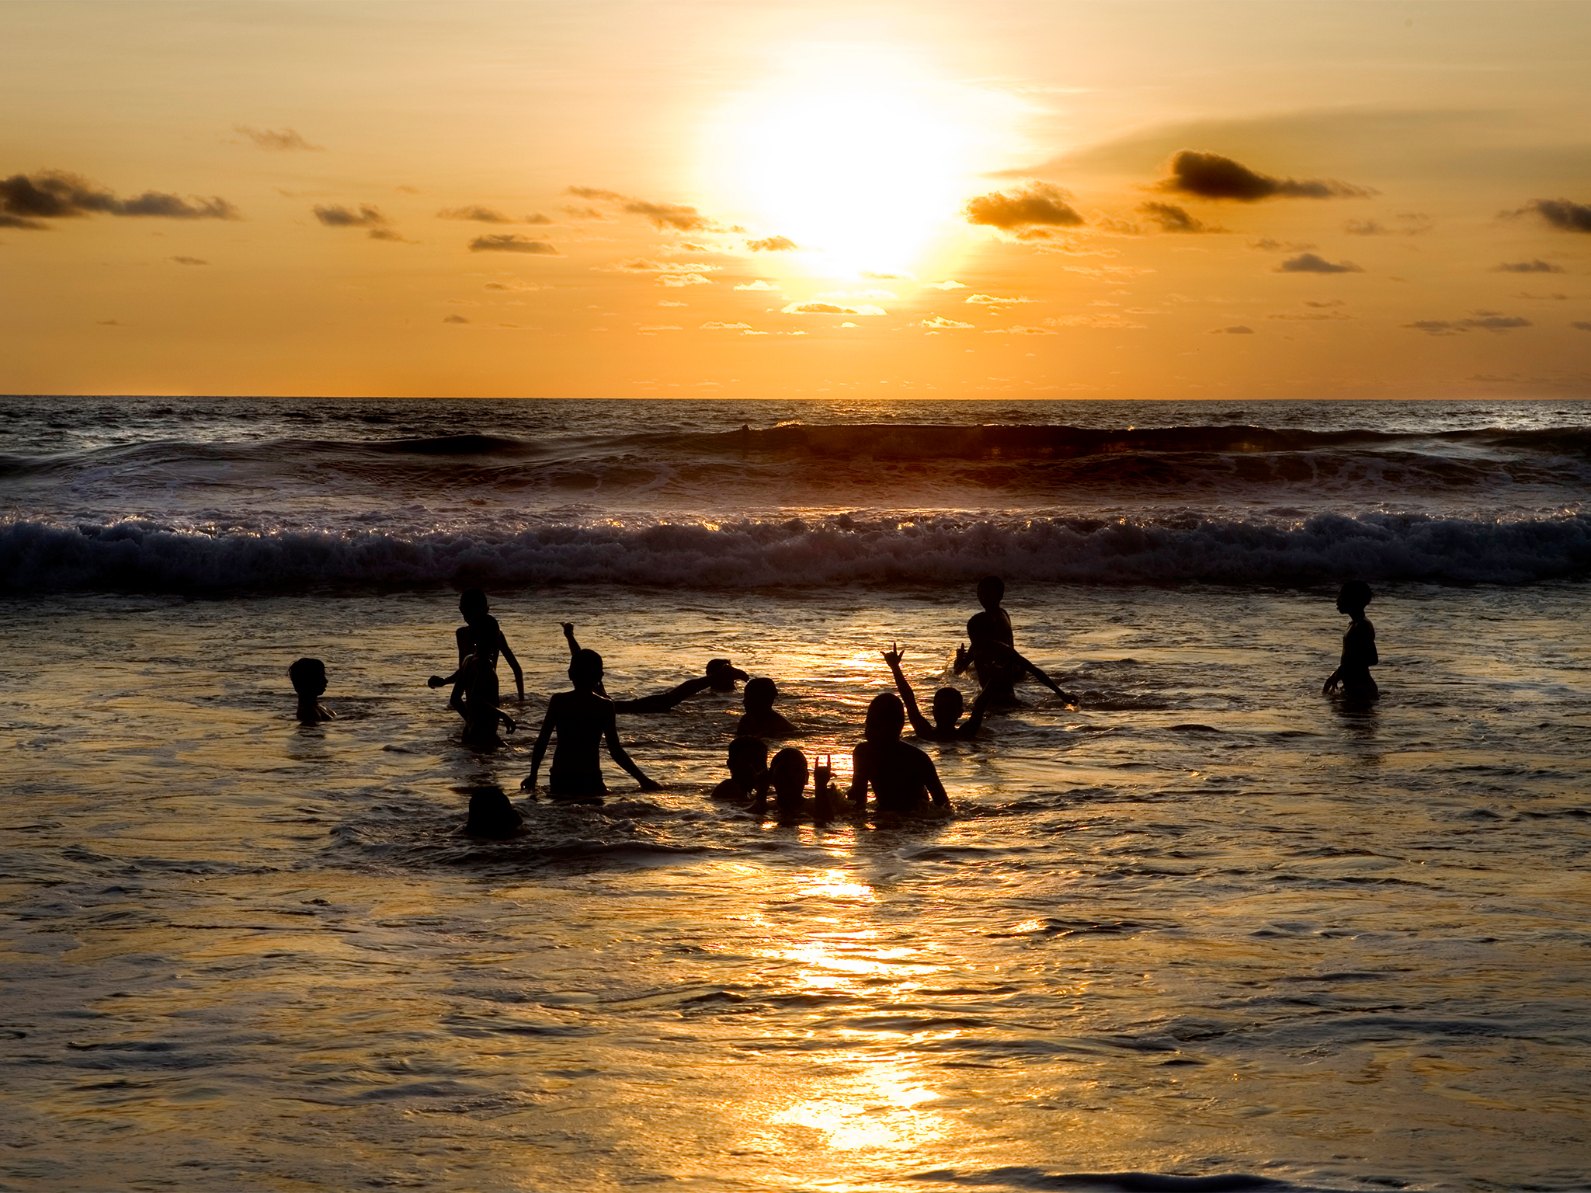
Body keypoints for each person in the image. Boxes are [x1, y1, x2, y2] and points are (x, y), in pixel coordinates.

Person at [522, 649, 660, 799]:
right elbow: (615, 750)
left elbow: (542, 741)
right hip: (590, 778)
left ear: (570, 674)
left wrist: (533, 775)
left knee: (562, 812)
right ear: (600, 677)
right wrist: (643, 780)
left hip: (560, 777)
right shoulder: (605, 706)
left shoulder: (559, 701)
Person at [561, 623, 749, 712]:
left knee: (670, 699)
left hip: (627, 707)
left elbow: (579, 659)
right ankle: (717, 676)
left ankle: (717, 676)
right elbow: (579, 658)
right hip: (626, 706)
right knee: (670, 699)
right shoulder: (597, 694)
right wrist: (569, 637)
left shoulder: (594, 699)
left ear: (571, 674)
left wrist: (570, 637)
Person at [952, 576, 1075, 705]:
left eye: (987, 593)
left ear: (999, 595)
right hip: (999, 694)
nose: (982, 597)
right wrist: (960, 658)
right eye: (980, 593)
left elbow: (1034, 670)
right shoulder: (991, 630)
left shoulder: (996, 644)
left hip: (1001, 700)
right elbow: (959, 669)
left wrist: (1063, 695)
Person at [847, 692, 952, 818]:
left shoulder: (917, 759)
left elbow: (944, 806)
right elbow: (858, 802)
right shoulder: (863, 753)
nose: (869, 731)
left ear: (897, 727)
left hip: (916, 819)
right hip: (887, 815)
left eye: (876, 726)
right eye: (868, 724)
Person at [882, 643, 990, 740]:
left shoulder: (927, 733)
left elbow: (981, 703)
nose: (944, 713)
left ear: (960, 713)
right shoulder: (927, 732)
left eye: (949, 708)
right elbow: (908, 698)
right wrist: (895, 668)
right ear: (933, 711)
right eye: (941, 708)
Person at [428, 652, 517, 747]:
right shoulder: (484, 666)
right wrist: (503, 715)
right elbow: (476, 699)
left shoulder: (468, 660)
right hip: (485, 733)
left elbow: (455, 699)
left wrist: (471, 721)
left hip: (471, 731)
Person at [454, 589, 524, 703]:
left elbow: (463, 670)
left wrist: (522, 700)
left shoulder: (493, 634)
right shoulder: (462, 634)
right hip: (481, 695)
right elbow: (516, 668)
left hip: (487, 692)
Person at [1323, 580, 1379, 701]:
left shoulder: (1362, 625)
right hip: (1354, 689)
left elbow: (1372, 658)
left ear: (1353, 599)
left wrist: (1342, 670)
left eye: (1341, 596)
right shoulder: (1353, 624)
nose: (1337, 600)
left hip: (1362, 690)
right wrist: (1339, 672)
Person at [757, 746, 847, 823]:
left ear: (806, 778)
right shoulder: (766, 806)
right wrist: (761, 791)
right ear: (771, 778)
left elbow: (827, 821)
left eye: (797, 770)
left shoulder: (814, 805)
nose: (790, 776)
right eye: (784, 771)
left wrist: (821, 786)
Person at [711, 736, 768, 803]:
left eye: (761, 762)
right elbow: (753, 810)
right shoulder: (729, 788)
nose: (756, 768)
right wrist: (762, 792)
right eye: (749, 762)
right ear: (731, 764)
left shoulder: (748, 790)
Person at [289, 657, 334, 725]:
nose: (326, 681)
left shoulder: (317, 707)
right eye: (320, 677)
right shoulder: (308, 712)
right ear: (308, 680)